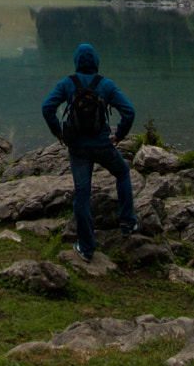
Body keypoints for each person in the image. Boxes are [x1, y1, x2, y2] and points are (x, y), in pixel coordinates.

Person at [41, 42, 137, 260]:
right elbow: (129, 112)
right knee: (122, 173)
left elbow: (47, 107)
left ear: (76, 62)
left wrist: (59, 133)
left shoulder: (68, 83)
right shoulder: (106, 85)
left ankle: (86, 247)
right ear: (96, 62)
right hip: (103, 144)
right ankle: (127, 222)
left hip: (77, 148)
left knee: (82, 194)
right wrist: (119, 136)